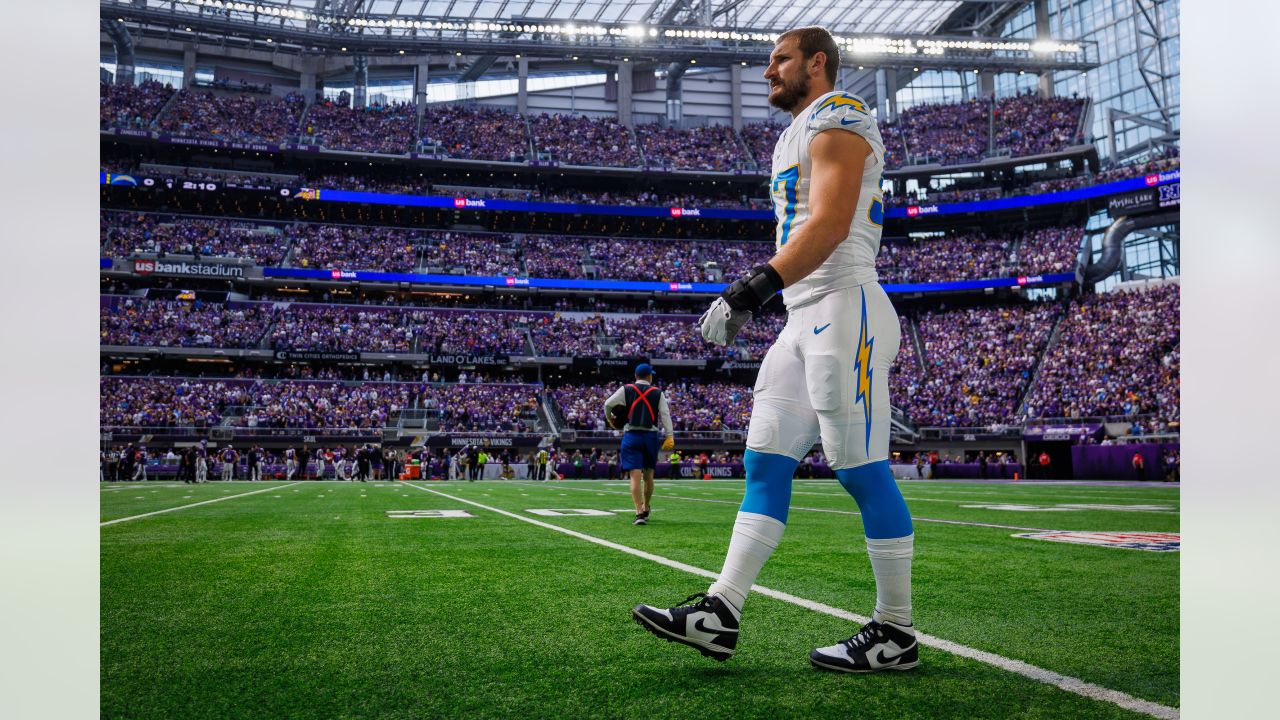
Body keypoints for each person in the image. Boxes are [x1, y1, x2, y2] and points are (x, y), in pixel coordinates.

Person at [633, 27, 916, 673]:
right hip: (806, 316)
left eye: (780, 59)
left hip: (848, 308)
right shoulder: (797, 129)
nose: (768, 71)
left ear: (817, 62)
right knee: (763, 463)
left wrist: (748, 290)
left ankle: (895, 631)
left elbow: (831, 222)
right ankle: (720, 611)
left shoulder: (840, 114)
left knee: (859, 470)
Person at [604, 363, 675, 526]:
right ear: (650, 377)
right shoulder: (658, 393)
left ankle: (638, 512)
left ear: (636, 376)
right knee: (648, 476)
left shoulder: (626, 389)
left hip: (631, 436)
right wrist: (669, 436)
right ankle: (646, 506)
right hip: (650, 436)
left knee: (634, 477)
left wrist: (610, 419)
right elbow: (665, 415)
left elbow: (608, 404)